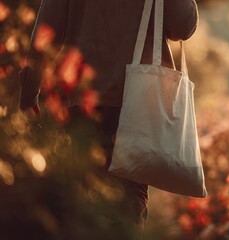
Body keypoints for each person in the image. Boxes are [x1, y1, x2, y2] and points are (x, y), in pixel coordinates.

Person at [19, 0, 199, 228]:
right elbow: (183, 25)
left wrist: (29, 90)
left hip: (79, 101)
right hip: (138, 102)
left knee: (78, 197)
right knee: (129, 201)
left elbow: (48, 30)